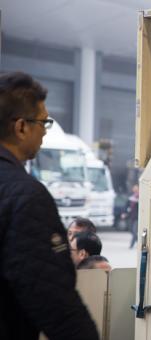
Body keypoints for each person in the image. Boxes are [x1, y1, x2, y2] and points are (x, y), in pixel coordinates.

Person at [0, 71, 99, 339]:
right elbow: (54, 301)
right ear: (21, 127)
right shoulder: (26, 196)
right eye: (43, 122)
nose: (45, 131)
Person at [123, 184, 139, 248]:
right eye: (134, 188)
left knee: (134, 231)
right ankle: (139, 241)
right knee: (131, 230)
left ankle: (131, 245)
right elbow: (126, 206)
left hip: (137, 217)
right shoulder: (131, 197)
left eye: (136, 188)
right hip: (131, 216)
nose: (135, 190)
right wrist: (124, 213)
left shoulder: (141, 197)